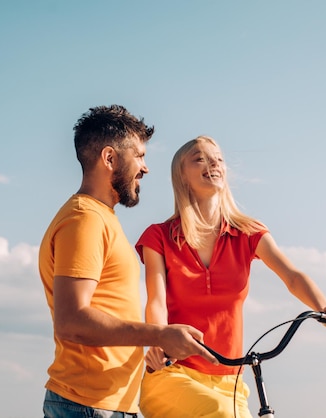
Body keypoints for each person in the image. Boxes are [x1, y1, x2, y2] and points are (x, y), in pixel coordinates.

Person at [135, 135, 326, 418]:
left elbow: (292, 276)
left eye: (218, 159)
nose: (213, 163)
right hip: (174, 374)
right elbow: (156, 301)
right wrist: (158, 339)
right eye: (200, 158)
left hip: (232, 382)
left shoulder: (248, 232)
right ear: (181, 175)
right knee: (218, 413)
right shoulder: (160, 236)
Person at [38, 106, 217, 418]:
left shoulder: (101, 218)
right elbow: (71, 321)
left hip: (107, 405)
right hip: (87, 406)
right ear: (109, 158)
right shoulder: (85, 219)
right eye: (140, 156)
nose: (145, 168)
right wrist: (159, 335)